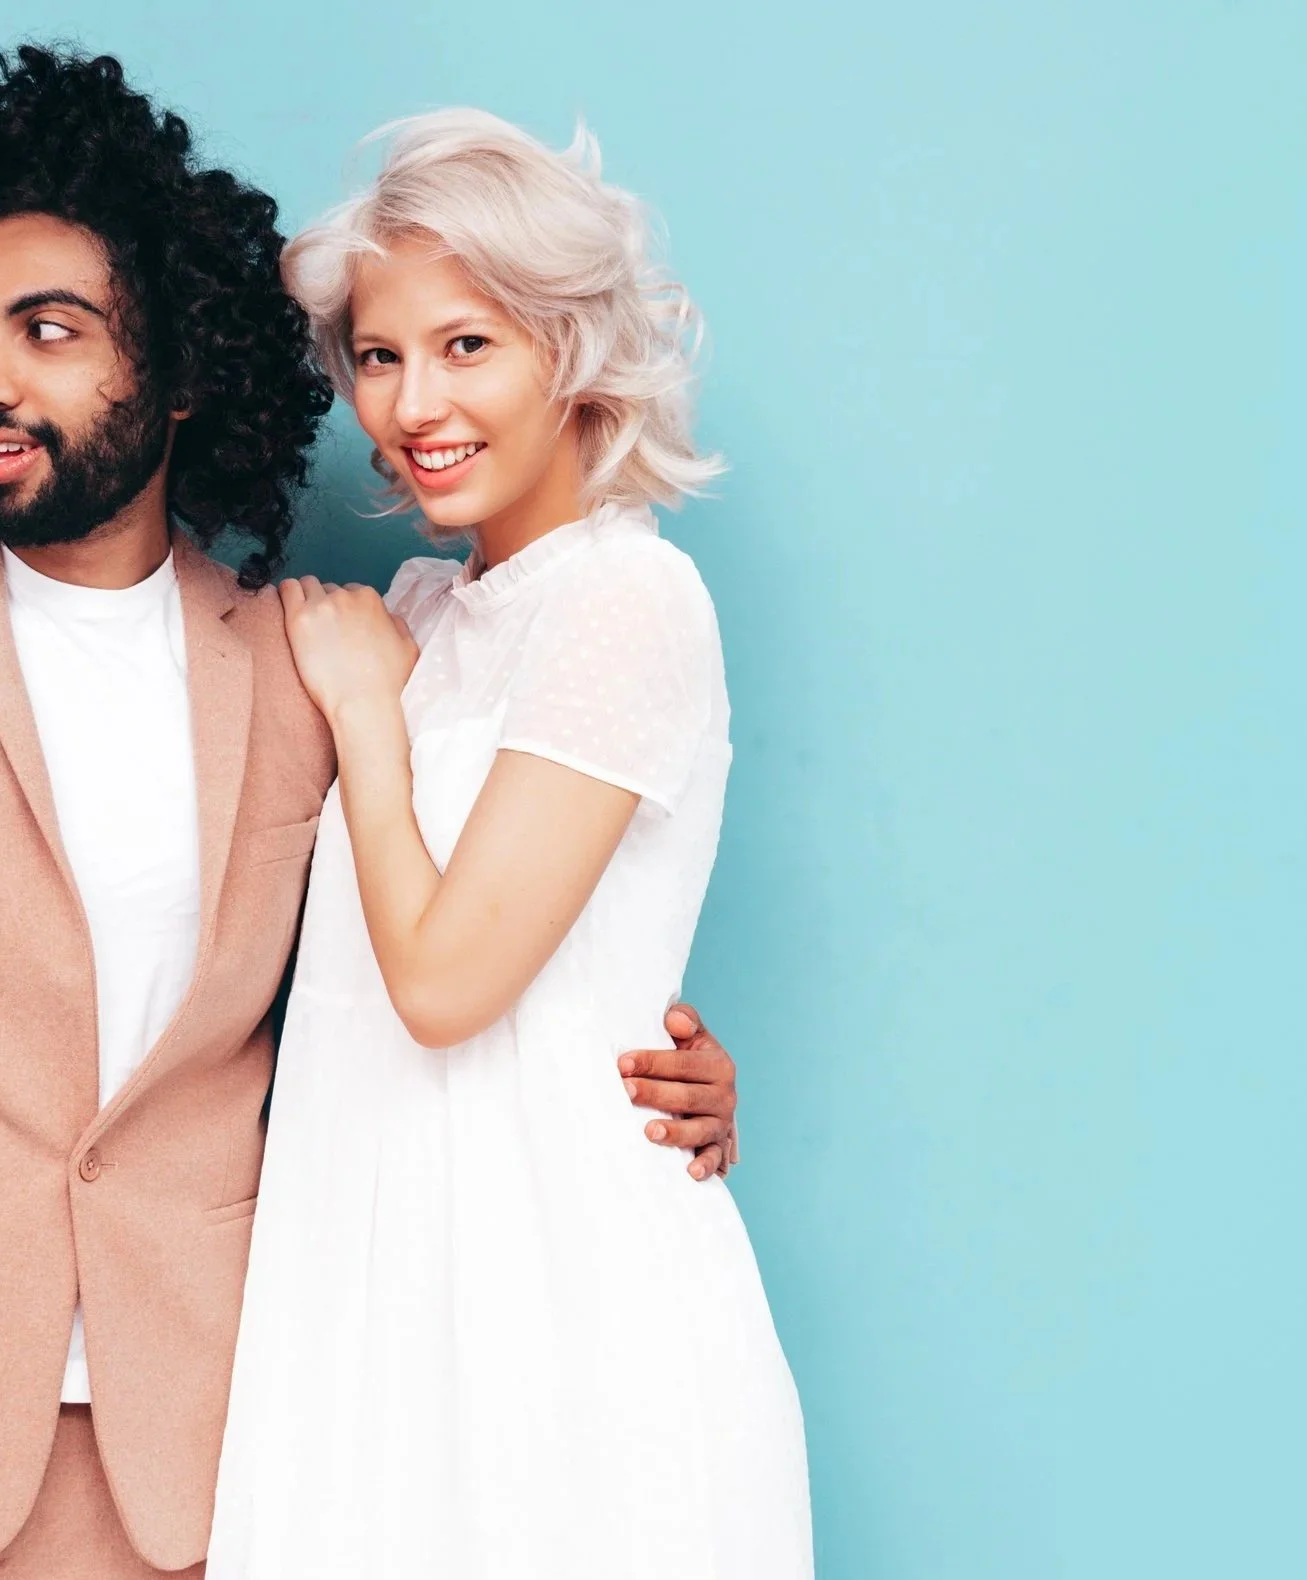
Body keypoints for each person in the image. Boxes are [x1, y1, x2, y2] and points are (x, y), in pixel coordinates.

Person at [0, 50, 743, 1580]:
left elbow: (429, 953)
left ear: (177, 370)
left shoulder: (310, 656)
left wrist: (655, 1074)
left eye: (50, 333)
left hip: (194, 1462)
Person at [207, 111, 813, 1578]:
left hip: (558, 1314)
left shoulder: (625, 602)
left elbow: (441, 986)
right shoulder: (415, 613)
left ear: (571, 352)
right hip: (372, 1289)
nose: (413, 401)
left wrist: (365, 717)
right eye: (377, 355)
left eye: (468, 345)